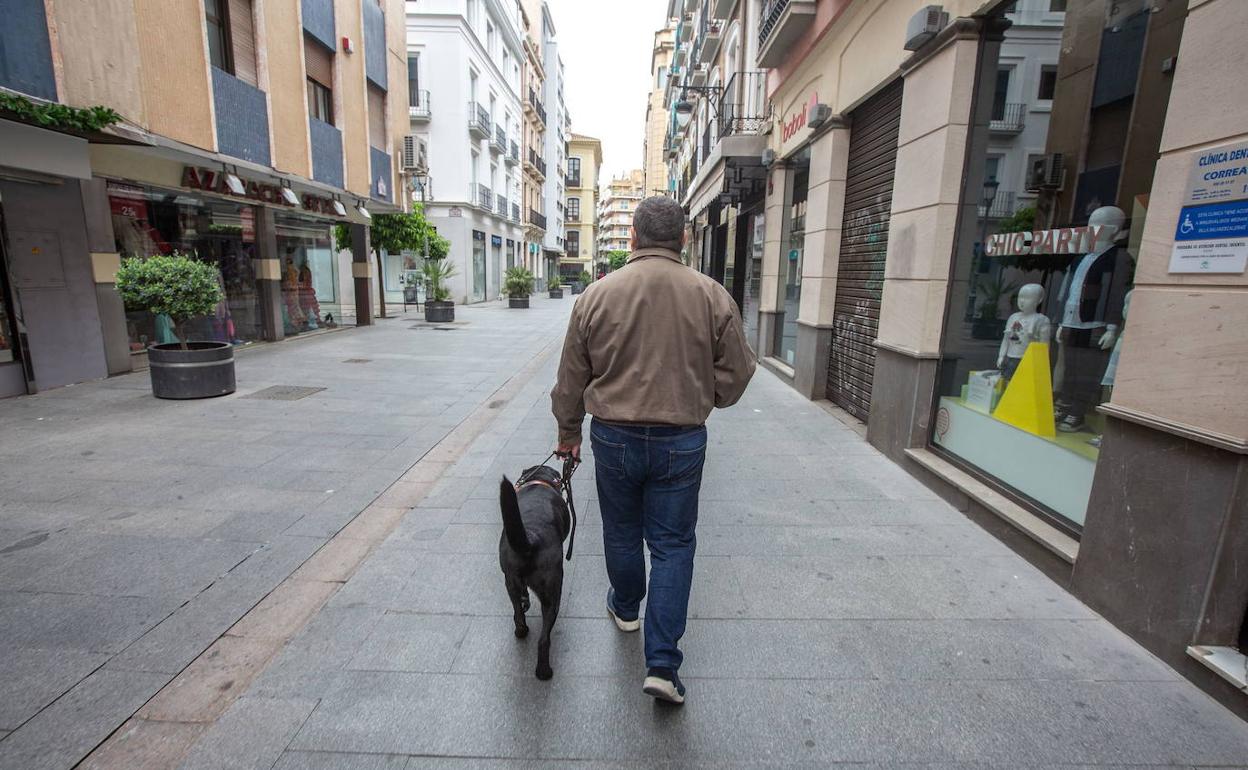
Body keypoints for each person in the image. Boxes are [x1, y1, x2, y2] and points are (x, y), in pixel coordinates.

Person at [550, 196, 756, 704]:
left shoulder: (597, 296)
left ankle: (625, 608)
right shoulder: (711, 295)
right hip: (680, 438)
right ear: (683, 238)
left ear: (633, 238)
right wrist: (705, 396)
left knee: (621, 530)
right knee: (673, 544)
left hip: (613, 435)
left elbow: (571, 376)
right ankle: (662, 664)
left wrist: (569, 432)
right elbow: (739, 370)